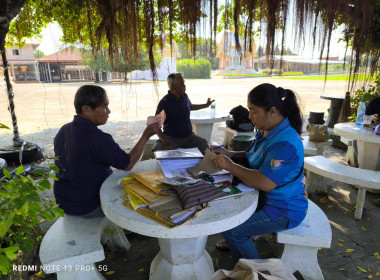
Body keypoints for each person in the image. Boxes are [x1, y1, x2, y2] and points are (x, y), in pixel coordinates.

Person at [210, 83, 308, 260]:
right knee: (222, 208)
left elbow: (265, 182)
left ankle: (259, 272)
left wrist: (230, 165)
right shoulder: (266, 131)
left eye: (253, 110)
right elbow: (251, 156)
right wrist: (228, 154)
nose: (249, 116)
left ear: (272, 111)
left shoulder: (285, 143)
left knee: (232, 229)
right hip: (261, 197)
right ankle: (241, 240)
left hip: (282, 209)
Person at [54, 85, 159, 218]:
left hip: (64, 201)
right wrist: (145, 136)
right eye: (104, 106)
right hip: (88, 206)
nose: (108, 111)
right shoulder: (97, 138)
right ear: (86, 110)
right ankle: (122, 229)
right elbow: (128, 164)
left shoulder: (64, 130)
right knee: (145, 199)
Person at [153, 73, 214, 152]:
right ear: (173, 87)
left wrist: (206, 105)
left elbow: (190, 107)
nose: (185, 86)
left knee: (204, 145)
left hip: (189, 137)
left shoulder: (185, 97)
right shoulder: (164, 103)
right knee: (158, 148)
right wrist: (165, 142)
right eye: (182, 84)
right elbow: (156, 127)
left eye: (184, 83)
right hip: (171, 139)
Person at [365, 96, 380, 206]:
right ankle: (365, 181)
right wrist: (372, 118)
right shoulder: (376, 101)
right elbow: (364, 117)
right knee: (358, 143)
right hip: (374, 133)